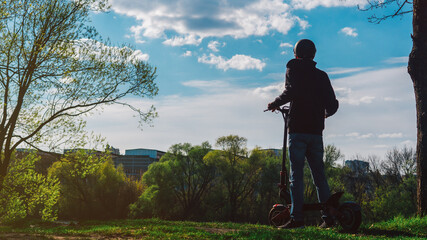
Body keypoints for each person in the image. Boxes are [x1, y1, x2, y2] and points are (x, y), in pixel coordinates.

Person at [267, 39, 339, 229]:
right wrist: (324, 114)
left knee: (296, 176)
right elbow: (333, 104)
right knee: (319, 176)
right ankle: (328, 218)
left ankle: (296, 218)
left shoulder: (293, 68)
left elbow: (291, 91)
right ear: (314, 54)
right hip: (316, 132)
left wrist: (274, 103)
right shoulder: (322, 76)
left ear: (296, 54)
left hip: (298, 130)